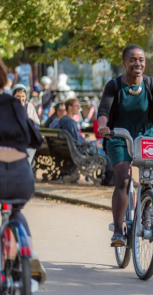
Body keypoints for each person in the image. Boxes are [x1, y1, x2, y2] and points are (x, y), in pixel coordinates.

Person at [97, 44, 153, 246]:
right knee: (124, 179)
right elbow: (103, 110)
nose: (138, 63)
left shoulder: (151, 84)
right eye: (133, 59)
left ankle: (146, 216)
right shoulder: (114, 85)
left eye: (141, 59)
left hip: (145, 136)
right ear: (124, 62)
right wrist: (103, 126)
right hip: (119, 135)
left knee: (151, 178)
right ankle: (118, 231)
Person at [0, 57, 47, 285]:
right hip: (20, 174)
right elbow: (36, 139)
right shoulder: (16, 106)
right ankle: (31, 254)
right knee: (16, 211)